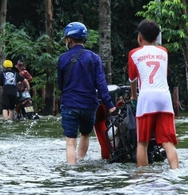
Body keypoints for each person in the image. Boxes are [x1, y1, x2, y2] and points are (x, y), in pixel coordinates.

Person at [57, 21, 116, 164]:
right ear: (84, 38)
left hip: (70, 104)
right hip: (89, 105)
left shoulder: (62, 58)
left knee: (71, 141)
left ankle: (72, 169)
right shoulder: (94, 58)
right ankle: (81, 161)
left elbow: (60, 84)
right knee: (85, 134)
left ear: (69, 39)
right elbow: (101, 85)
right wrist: (110, 105)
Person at [128, 19, 179, 169]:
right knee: (168, 141)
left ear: (139, 38)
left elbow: (133, 79)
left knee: (142, 142)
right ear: (156, 39)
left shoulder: (134, 54)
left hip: (146, 98)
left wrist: (133, 97)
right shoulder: (163, 51)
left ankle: (143, 175)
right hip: (164, 97)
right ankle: (175, 171)